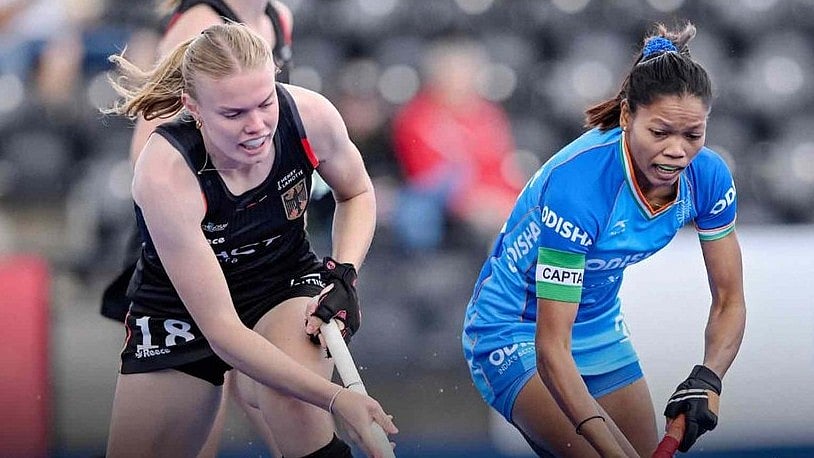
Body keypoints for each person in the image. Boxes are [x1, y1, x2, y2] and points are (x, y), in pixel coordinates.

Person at [103, 22, 396, 458]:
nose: (257, 126)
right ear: (194, 107)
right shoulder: (165, 173)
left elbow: (356, 192)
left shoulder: (310, 116)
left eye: (265, 103)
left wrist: (345, 274)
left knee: (294, 400)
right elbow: (222, 330)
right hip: (180, 309)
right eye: (233, 114)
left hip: (281, 283)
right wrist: (339, 399)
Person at [461, 22, 746, 457]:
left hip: (597, 327)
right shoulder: (580, 187)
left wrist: (708, 377)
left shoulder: (708, 177)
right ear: (629, 116)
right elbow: (551, 346)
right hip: (515, 332)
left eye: (693, 136)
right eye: (660, 132)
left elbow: (729, 300)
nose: (677, 152)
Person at [98, 2, 294, 455]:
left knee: (270, 389)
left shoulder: (278, 16)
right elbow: (147, 149)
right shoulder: (199, 25)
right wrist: (218, 217)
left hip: (249, 231)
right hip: (191, 234)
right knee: (205, 394)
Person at [390, 36, 522, 252]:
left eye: (467, 72)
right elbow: (430, 178)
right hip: (442, 203)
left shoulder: (489, 114)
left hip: (491, 198)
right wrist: (481, 201)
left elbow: (501, 166)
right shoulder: (418, 116)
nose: (461, 79)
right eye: (454, 72)